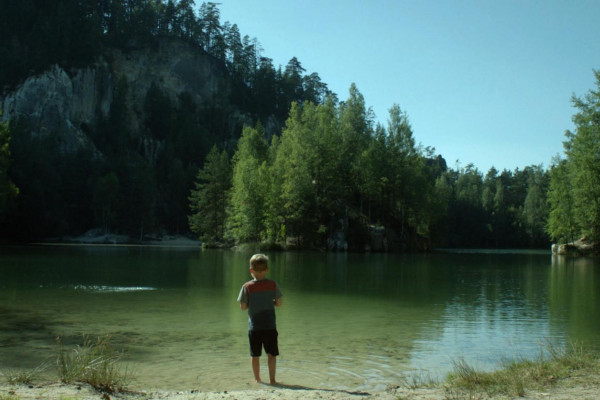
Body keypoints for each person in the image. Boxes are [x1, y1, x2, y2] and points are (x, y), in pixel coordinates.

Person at [237, 253, 283, 384]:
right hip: (270, 326)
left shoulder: (246, 287)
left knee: (255, 355)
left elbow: (243, 307)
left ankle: (257, 379)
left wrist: (252, 304)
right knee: (272, 354)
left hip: (254, 327)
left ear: (251, 270)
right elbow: (279, 303)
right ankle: (273, 380)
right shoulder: (273, 284)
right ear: (267, 270)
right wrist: (271, 303)